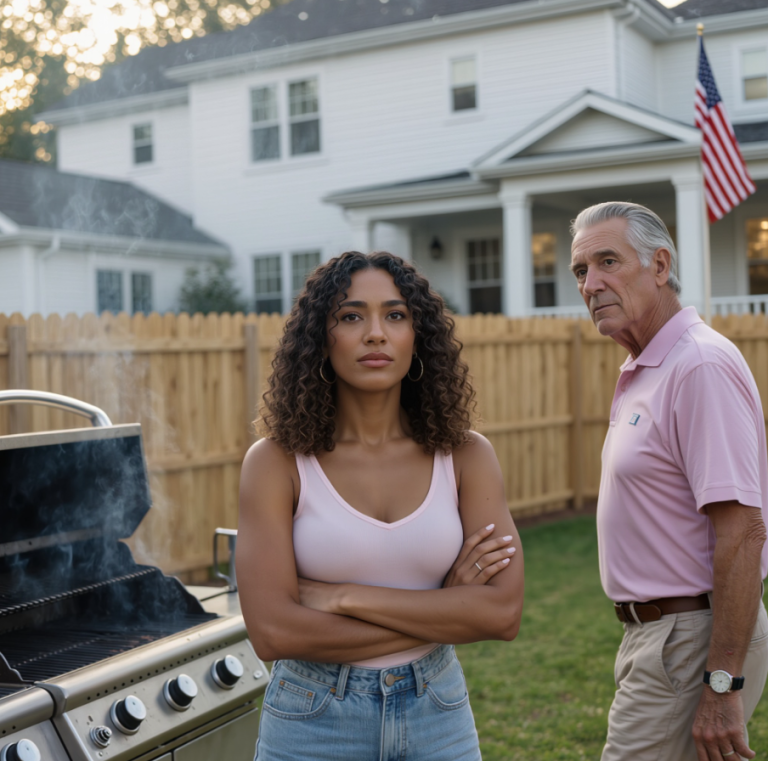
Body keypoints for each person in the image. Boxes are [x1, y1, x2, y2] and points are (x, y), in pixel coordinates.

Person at [236, 251, 524, 761]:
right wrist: (444, 608)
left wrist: (343, 596)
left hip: (437, 713)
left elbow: (500, 613)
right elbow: (274, 631)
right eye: (351, 316)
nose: (375, 333)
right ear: (321, 339)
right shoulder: (276, 463)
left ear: (419, 336)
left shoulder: (466, 455)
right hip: (311, 719)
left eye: (395, 315)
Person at [570, 201, 768, 761]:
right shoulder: (648, 368)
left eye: (609, 261)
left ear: (660, 266)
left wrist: (721, 684)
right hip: (661, 637)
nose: (591, 283)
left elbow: (745, 532)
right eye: (581, 271)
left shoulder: (698, 366)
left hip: (690, 640)